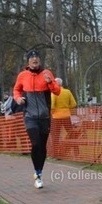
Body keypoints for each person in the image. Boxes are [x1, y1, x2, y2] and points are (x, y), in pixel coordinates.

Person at [13, 50, 61, 189]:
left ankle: (39, 172)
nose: (35, 59)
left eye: (37, 57)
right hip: (30, 116)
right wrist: (18, 99)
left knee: (43, 147)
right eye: (32, 57)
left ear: (40, 60)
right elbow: (16, 90)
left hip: (44, 117)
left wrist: (50, 82)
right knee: (36, 143)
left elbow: (57, 91)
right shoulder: (22, 75)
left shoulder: (47, 73)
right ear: (28, 61)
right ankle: (38, 174)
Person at [51, 78, 79, 157]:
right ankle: (76, 151)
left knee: (55, 135)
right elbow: (73, 104)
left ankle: (56, 153)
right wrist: (66, 107)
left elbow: (52, 105)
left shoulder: (54, 93)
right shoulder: (67, 92)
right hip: (66, 115)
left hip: (56, 117)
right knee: (71, 133)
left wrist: (52, 111)